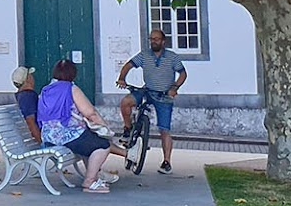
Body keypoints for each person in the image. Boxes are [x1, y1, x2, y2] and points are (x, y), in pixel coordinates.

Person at [36, 59, 128, 193]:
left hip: (48, 136)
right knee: (103, 145)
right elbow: (90, 113)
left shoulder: (46, 90)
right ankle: (89, 182)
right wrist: (105, 127)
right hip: (67, 135)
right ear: (73, 74)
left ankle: (96, 175)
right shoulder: (71, 89)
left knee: (88, 142)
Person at [117, 28, 187, 175]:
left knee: (164, 130)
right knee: (126, 102)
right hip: (147, 91)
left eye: (156, 39)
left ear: (163, 41)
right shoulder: (144, 55)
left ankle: (166, 162)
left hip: (164, 95)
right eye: (151, 39)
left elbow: (182, 73)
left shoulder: (172, 57)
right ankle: (128, 128)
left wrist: (174, 87)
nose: (153, 41)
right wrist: (122, 77)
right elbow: (129, 65)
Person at [11, 66, 40, 142]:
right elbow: (30, 121)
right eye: (30, 75)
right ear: (27, 79)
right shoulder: (28, 96)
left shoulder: (21, 96)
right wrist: (40, 142)